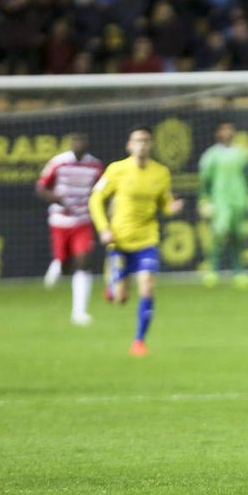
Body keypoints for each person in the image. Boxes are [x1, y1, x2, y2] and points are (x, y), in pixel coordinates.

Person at [89, 126, 185, 356]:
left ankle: (139, 341)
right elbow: (95, 199)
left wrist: (171, 208)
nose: (142, 145)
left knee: (147, 286)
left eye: (145, 141)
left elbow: (165, 202)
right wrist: (103, 229)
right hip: (120, 240)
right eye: (137, 141)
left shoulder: (161, 173)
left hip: (146, 239)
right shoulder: (117, 170)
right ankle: (113, 285)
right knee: (121, 298)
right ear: (129, 145)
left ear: (151, 145)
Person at [36, 132, 104, 324]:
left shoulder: (95, 166)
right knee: (66, 266)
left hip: (82, 220)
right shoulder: (58, 162)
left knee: (83, 261)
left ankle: (79, 311)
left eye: (81, 140)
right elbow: (41, 187)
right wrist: (55, 198)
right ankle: (58, 262)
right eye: (74, 140)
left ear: (86, 143)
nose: (78, 144)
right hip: (60, 220)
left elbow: (102, 190)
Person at [197, 120, 248, 288]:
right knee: (220, 234)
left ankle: (239, 273)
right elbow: (205, 182)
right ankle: (212, 270)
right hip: (220, 202)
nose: (227, 133)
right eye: (223, 130)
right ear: (218, 133)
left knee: (239, 237)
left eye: (229, 130)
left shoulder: (242, 154)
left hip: (239, 201)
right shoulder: (210, 156)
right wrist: (204, 200)